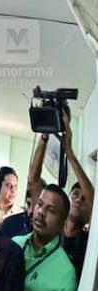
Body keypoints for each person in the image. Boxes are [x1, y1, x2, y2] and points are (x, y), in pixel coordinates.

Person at [60, 117, 93, 276]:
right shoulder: (52, 232)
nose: (79, 200)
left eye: (84, 199)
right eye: (75, 195)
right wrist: (44, 137)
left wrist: (70, 155)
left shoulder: (90, 244)